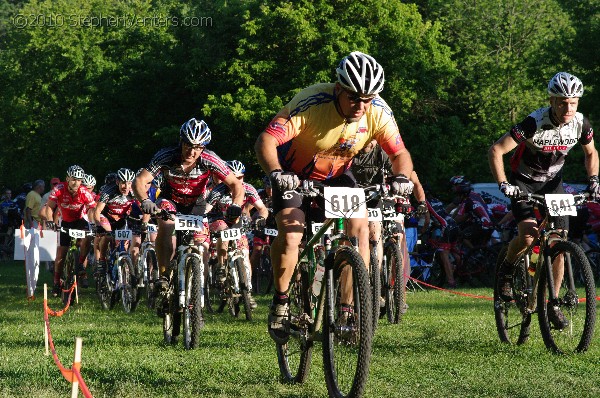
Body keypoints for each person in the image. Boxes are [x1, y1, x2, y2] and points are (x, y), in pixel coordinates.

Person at [254, 51, 414, 343]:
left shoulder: (377, 110)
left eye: (367, 99)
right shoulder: (310, 104)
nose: (361, 106)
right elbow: (266, 139)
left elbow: (399, 153)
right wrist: (276, 172)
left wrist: (401, 177)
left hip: (338, 176)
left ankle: (347, 310)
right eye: (354, 97)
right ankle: (280, 299)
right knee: (291, 235)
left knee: (360, 229)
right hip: (294, 174)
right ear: (338, 89)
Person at [488, 72, 599, 329]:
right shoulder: (533, 122)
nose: (568, 108)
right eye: (562, 102)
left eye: (573, 102)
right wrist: (504, 184)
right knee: (528, 235)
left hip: (553, 184)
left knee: (559, 241)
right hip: (523, 182)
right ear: (551, 100)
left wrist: (593, 180)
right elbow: (496, 150)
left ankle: (554, 303)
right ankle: (507, 268)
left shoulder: (581, 124)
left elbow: (591, 153)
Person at [133, 118, 244, 297]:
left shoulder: (210, 159)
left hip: (196, 204)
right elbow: (140, 180)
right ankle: (163, 276)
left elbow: (236, 185)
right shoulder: (166, 155)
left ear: (204, 147)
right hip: (171, 200)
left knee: (201, 243)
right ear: (181, 141)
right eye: (188, 145)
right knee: (166, 226)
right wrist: (145, 200)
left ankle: (199, 291)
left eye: (198, 147)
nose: (192, 152)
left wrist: (236, 205)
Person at [205, 159, 269, 309]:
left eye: (240, 177)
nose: (238, 181)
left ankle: (248, 291)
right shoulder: (219, 190)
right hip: (218, 219)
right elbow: (206, 210)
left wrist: (261, 218)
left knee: (245, 253)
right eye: (235, 177)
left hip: (238, 222)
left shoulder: (249, 189)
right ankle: (221, 267)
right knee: (223, 230)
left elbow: (262, 209)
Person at [41, 165, 96, 295]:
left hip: (79, 221)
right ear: (67, 179)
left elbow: (92, 209)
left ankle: (81, 263)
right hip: (65, 222)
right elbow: (49, 208)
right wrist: (49, 221)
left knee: (88, 237)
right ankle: (56, 282)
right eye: (73, 179)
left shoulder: (84, 192)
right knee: (61, 253)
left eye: (79, 180)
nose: (76, 182)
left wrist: (93, 223)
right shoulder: (59, 189)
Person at [446, 176, 494, 249]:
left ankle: (473, 252)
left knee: (461, 236)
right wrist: (451, 218)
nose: (452, 188)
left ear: (460, 187)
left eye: (454, 186)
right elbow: (460, 210)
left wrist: (448, 223)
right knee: (482, 245)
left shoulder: (467, 199)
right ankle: (483, 253)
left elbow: (461, 217)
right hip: (489, 224)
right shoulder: (474, 195)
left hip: (482, 225)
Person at [23, 179, 45, 298]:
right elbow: (28, 210)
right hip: (34, 223)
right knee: (32, 250)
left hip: (38, 223)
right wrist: (31, 224)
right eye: (43, 187)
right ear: (38, 187)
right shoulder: (32, 195)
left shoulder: (38, 196)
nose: (44, 189)